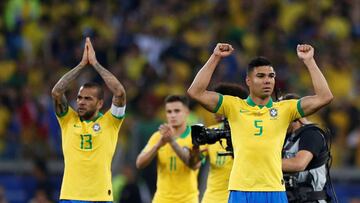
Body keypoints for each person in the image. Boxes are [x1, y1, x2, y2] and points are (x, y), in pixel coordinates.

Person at [187, 43, 333, 203]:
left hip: (274, 190)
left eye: (271, 76)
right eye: (261, 76)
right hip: (241, 190)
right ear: (248, 81)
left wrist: (309, 61)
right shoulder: (233, 106)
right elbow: (195, 92)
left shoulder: (286, 109)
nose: (268, 81)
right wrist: (215, 57)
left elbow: (324, 97)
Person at [51, 37, 126, 202]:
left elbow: (119, 93)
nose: (81, 102)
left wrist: (95, 64)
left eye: (88, 99)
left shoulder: (110, 122)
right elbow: (57, 92)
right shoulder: (68, 119)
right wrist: (82, 65)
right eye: (79, 98)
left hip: (99, 197)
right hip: (71, 196)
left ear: (100, 103)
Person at [136, 95, 199, 203]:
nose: (172, 115)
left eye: (177, 111)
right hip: (162, 199)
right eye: (169, 112)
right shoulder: (158, 136)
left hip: (188, 199)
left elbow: (194, 165)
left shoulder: (195, 137)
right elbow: (139, 163)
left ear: (187, 112)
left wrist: (172, 142)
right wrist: (157, 146)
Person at [199, 83, 248, 203]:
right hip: (212, 199)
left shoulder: (250, 134)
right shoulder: (212, 133)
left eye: (218, 106)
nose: (213, 110)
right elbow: (194, 163)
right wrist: (194, 153)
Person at [281, 93, 332, 203]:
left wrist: (264, 164)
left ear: (294, 115)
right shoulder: (286, 138)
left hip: (310, 199)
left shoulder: (311, 134)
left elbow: (299, 164)